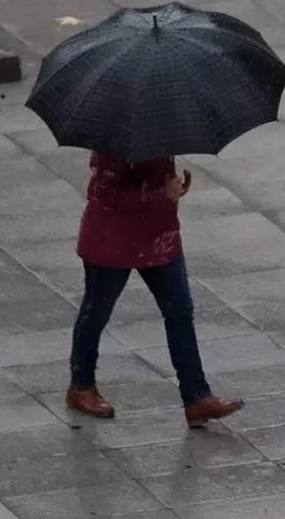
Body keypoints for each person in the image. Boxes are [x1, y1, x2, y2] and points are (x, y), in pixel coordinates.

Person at [67, 152, 243, 427]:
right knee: (97, 310)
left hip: (159, 237)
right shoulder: (116, 138)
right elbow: (106, 194)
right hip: (112, 239)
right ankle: (81, 386)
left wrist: (172, 188)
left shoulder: (160, 126)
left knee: (180, 311)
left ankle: (196, 396)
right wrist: (162, 192)